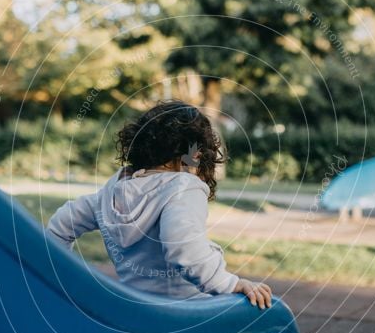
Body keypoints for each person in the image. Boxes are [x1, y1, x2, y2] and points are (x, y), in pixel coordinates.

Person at [46, 100, 273, 309]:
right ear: (195, 153)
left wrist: (62, 276)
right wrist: (229, 283)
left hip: (137, 307)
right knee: (266, 317)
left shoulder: (115, 190)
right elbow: (184, 250)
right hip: (186, 313)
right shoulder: (184, 188)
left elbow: (62, 223)